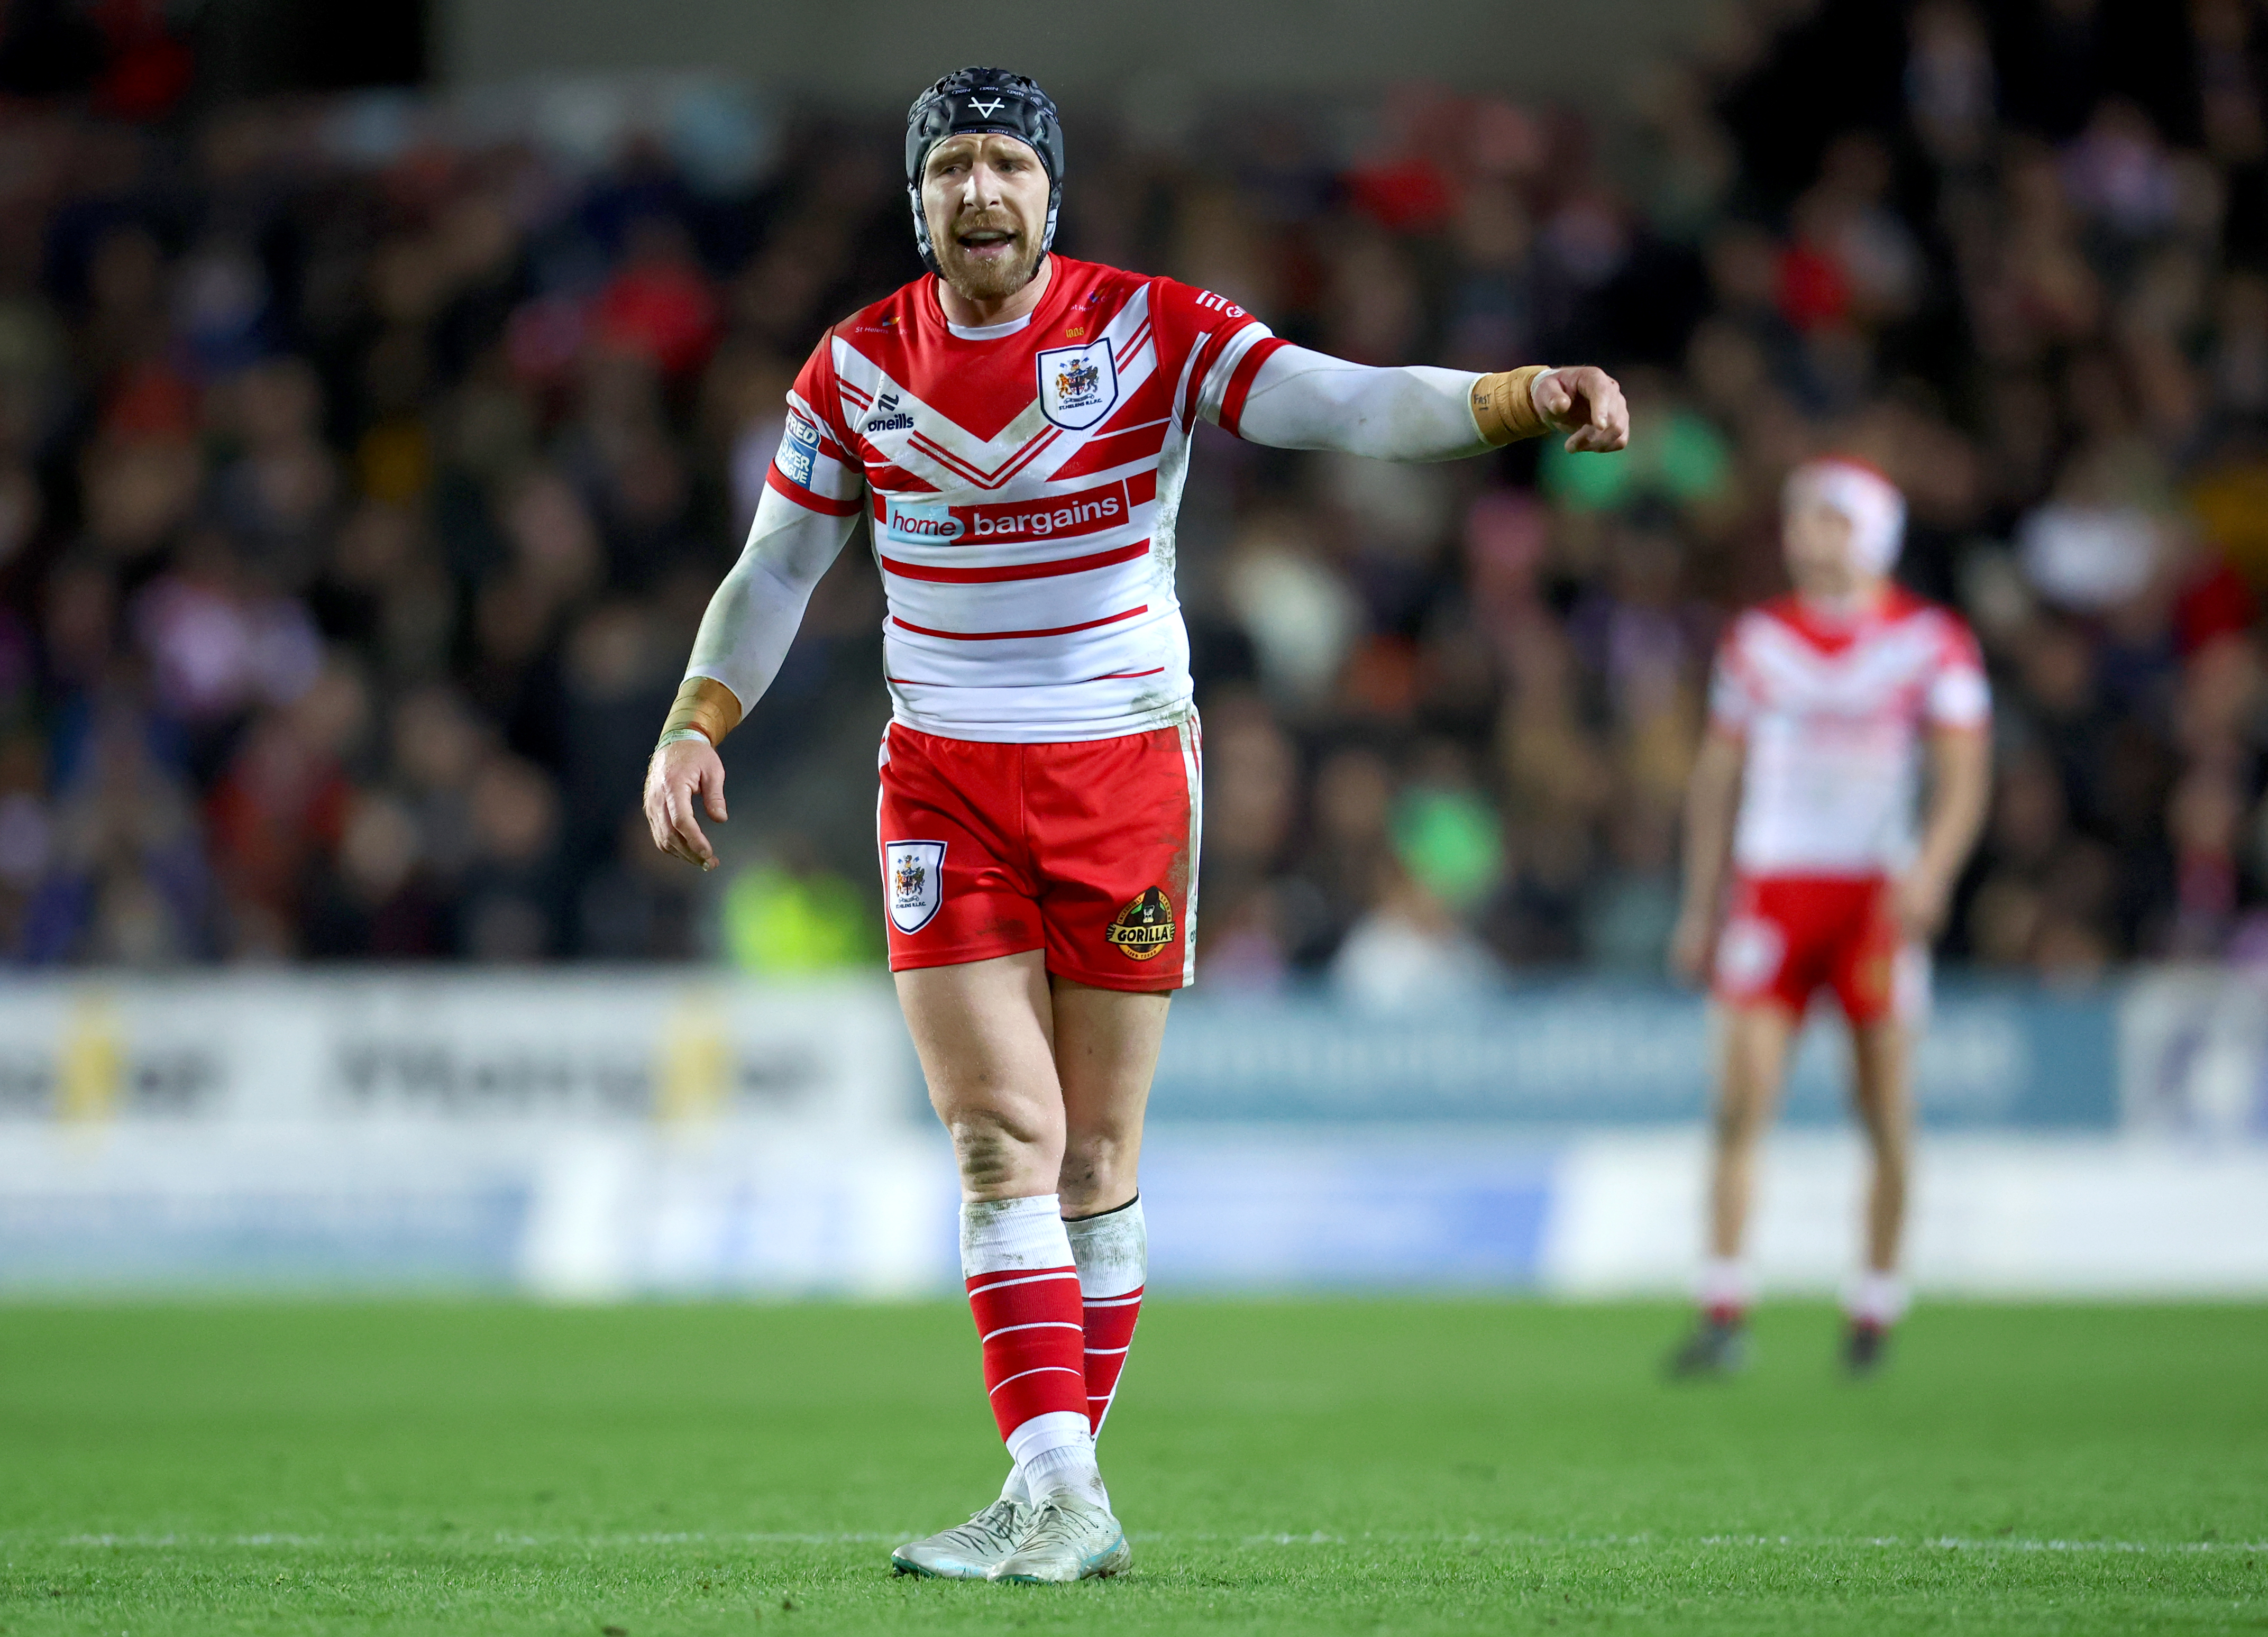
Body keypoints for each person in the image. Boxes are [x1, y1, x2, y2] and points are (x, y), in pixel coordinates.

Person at [642, 66, 1629, 1582]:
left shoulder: (1148, 328)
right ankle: (1062, 1489)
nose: (980, 192)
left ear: (1052, 192)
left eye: (1005, 166)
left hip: (1124, 776)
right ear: (918, 202)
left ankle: (1052, 1491)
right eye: (951, 167)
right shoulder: (856, 369)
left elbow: (1339, 401)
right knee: (1001, 1137)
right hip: (944, 784)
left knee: (1096, 1153)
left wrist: (1514, 398)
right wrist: (696, 723)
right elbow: (777, 570)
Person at [1666, 456, 1990, 1378]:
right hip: (1774, 888)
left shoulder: (1933, 641)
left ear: (1872, 532)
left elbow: (1965, 774)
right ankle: (1724, 1307)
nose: (1805, 533)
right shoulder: (1758, 640)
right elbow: (1718, 775)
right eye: (1800, 517)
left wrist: (1931, 871)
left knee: (1882, 1105)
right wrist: (1700, 900)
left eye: (1827, 518)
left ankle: (1876, 1306)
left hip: (1873, 897)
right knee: (1741, 1102)